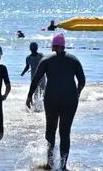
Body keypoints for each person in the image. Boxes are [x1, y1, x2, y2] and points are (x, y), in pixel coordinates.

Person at [26, 34, 85, 170]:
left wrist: (29, 96)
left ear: (53, 46)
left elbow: (36, 79)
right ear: (64, 46)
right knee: (65, 133)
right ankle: (63, 166)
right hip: (70, 100)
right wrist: (77, 93)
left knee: (50, 130)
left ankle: (50, 163)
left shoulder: (46, 59)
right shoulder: (74, 60)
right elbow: (82, 81)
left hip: (51, 99)